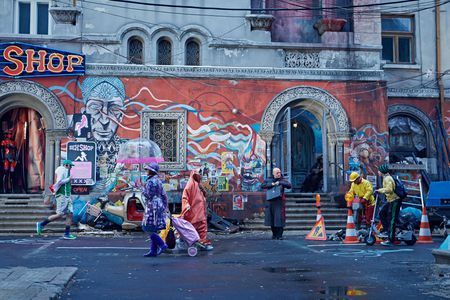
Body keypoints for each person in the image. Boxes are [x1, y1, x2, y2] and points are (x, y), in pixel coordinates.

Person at [36, 160, 76, 239]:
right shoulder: (62, 170)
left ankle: (67, 233)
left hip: (67, 196)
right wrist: (69, 179)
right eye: (70, 166)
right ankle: (41, 224)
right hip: (62, 196)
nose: (71, 167)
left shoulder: (65, 170)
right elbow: (59, 182)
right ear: (66, 165)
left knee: (70, 214)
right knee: (60, 214)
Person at [141, 162, 168, 257]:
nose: (146, 171)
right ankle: (153, 251)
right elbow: (164, 194)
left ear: (151, 171)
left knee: (147, 227)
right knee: (154, 228)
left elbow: (148, 195)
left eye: (148, 169)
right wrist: (165, 206)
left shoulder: (150, 182)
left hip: (152, 206)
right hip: (159, 205)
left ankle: (162, 244)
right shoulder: (158, 180)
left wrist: (142, 188)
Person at [181, 169, 213, 249]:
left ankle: (202, 243)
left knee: (202, 227)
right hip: (194, 211)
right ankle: (194, 243)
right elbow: (185, 196)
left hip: (200, 211)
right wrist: (186, 206)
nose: (199, 176)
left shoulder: (198, 185)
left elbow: (203, 196)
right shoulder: (191, 184)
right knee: (194, 227)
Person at [261, 167, 292, 240]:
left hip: (279, 201)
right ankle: (274, 234)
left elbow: (289, 185)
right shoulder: (269, 179)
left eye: (279, 172)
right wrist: (271, 184)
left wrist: (280, 182)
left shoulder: (282, 180)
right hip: (270, 202)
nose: (279, 174)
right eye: (277, 173)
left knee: (279, 219)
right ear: (273, 173)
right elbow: (262, 185)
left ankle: (279, 235)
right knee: (272, 218)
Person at [376, 163, 401, 246]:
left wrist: (379, 190)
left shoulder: (388, 178)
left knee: (392, 219)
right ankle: (388, 230)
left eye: (379, 170)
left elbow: (389, 189)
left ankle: (391, 239)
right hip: (390, 200)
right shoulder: (385, 177)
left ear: (382, 171)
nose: (378, 172)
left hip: (395, 201)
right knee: (382, 213)